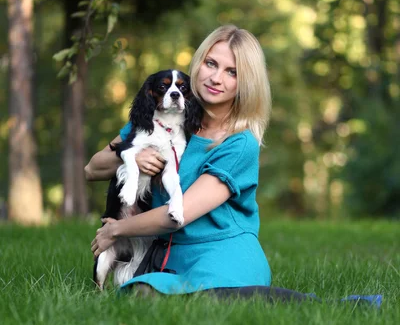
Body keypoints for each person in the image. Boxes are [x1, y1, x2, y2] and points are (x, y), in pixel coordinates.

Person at [86, 25, 310, 301]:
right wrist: (131, 155)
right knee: (137, 294)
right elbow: (92, 169)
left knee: (171, 297)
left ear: (246, 83)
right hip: (166, 255)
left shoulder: (240, 144)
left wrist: (115, 230)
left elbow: (178, 215)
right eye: (211, 63)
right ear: (198, 63)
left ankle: (312, 302)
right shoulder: (162, 114)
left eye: (232, 72)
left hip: (223, 257)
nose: (216, 78)